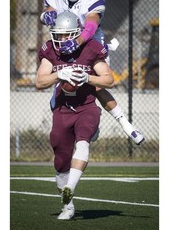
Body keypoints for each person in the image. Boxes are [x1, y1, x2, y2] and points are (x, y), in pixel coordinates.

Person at [40, 0, 145, 145]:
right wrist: (46, 16)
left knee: (96, 87)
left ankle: (125, 123)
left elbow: (91, 25)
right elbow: (48, 11)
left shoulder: (94, 0)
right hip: (62, 45)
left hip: (90, 45)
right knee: (61, 89)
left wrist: (77, 41)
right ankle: (90, 122)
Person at [35, 11, 114, 220]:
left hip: (86, 106)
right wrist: (57, 74)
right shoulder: (50, 49)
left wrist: (87, 77)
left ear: (76, 33)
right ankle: (68, 205)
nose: (61, 39)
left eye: (66, 35)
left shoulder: (90, 47)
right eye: (57, 34)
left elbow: (108, 80)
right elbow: (39, 82)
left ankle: (70, 187)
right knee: (61, 161)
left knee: (83, 142)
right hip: (62, 109)